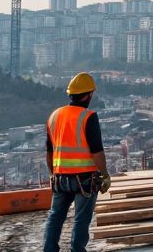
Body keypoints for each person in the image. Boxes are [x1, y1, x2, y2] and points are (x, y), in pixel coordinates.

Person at [42, 72, 111, 252]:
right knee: (81, 219)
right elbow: (97, 150)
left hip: (60, 177)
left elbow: (49, 151)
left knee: (55, 216)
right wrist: (105, 175)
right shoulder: (88, 116)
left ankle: (49, 249)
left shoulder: (54, 116)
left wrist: (52, 173)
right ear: (88, 95)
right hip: (85, 179)